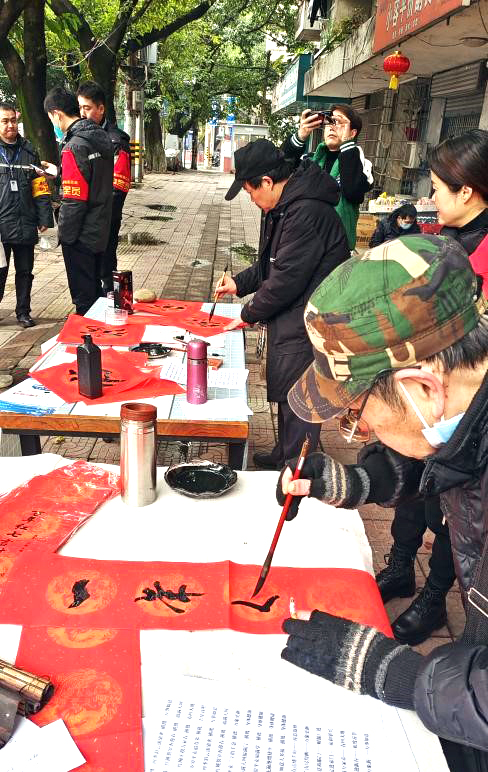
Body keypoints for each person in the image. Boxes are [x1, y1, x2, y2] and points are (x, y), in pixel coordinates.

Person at [275, 234, 488, 772]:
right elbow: (450, 459)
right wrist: (356, 480)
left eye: (357, 414)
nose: (358, 429)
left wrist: (396, 674)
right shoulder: (465, 402)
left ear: (423, 387)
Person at [374, 130, 488, 646]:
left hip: (462, 411)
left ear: (468, 192)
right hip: (415, 394)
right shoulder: (445, 238)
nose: (431, 197)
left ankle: (435, 594)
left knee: (451, 503)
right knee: (410, 487)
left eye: (440, 187)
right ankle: (400, 564)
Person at [216, 138, 349, 470]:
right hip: (296, 311)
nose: (252, 199)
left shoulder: (305, 212)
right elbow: (270, 263)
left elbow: (285, 280)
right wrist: (239, 284)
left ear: (267, 182)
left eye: (250, 192)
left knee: (302, 394)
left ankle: (298, 468)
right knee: (290, 388)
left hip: (313, 316)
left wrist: (247, 314)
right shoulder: (284, 206)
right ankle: (283, 453)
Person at [43, 87, 113, 316]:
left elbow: (74, 200)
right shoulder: (100, 137)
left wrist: (65, 236)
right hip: (100, 228)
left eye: (51, 118)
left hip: (81, 236)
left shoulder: (74, 146)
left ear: (57, 114)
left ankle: (90, 347)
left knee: (85, 301)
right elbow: (91, 181)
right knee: (97, 295)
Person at [282, 105, 373, 250]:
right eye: (329, 122)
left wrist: (347, 144)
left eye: (339, 123)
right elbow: (281, 169)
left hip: (337, 249)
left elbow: (352, 192)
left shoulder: (363, 165)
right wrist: (300, 135)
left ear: (353, 132)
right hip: (304, 244)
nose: (332, 127)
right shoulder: (310, 160)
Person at [0, 102, 53, 328]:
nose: (10, 125)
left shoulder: (29, 151)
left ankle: (23, 311)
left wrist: (44, 218)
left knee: (25, 272)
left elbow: (40, 187)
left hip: (25, 222)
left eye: (13, 120)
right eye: (5, 121)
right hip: (1, 226)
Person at [76, 81, 131, 294]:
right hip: (84, 218)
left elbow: (119, 188)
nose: (82, 113)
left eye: (87, 108)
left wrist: (99, 212)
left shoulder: (116, 141)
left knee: (106, 264)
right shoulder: (78, 137)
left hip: (106, 218)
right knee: (86, 267)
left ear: (101, 109)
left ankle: (110, 300)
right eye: (80, 108)